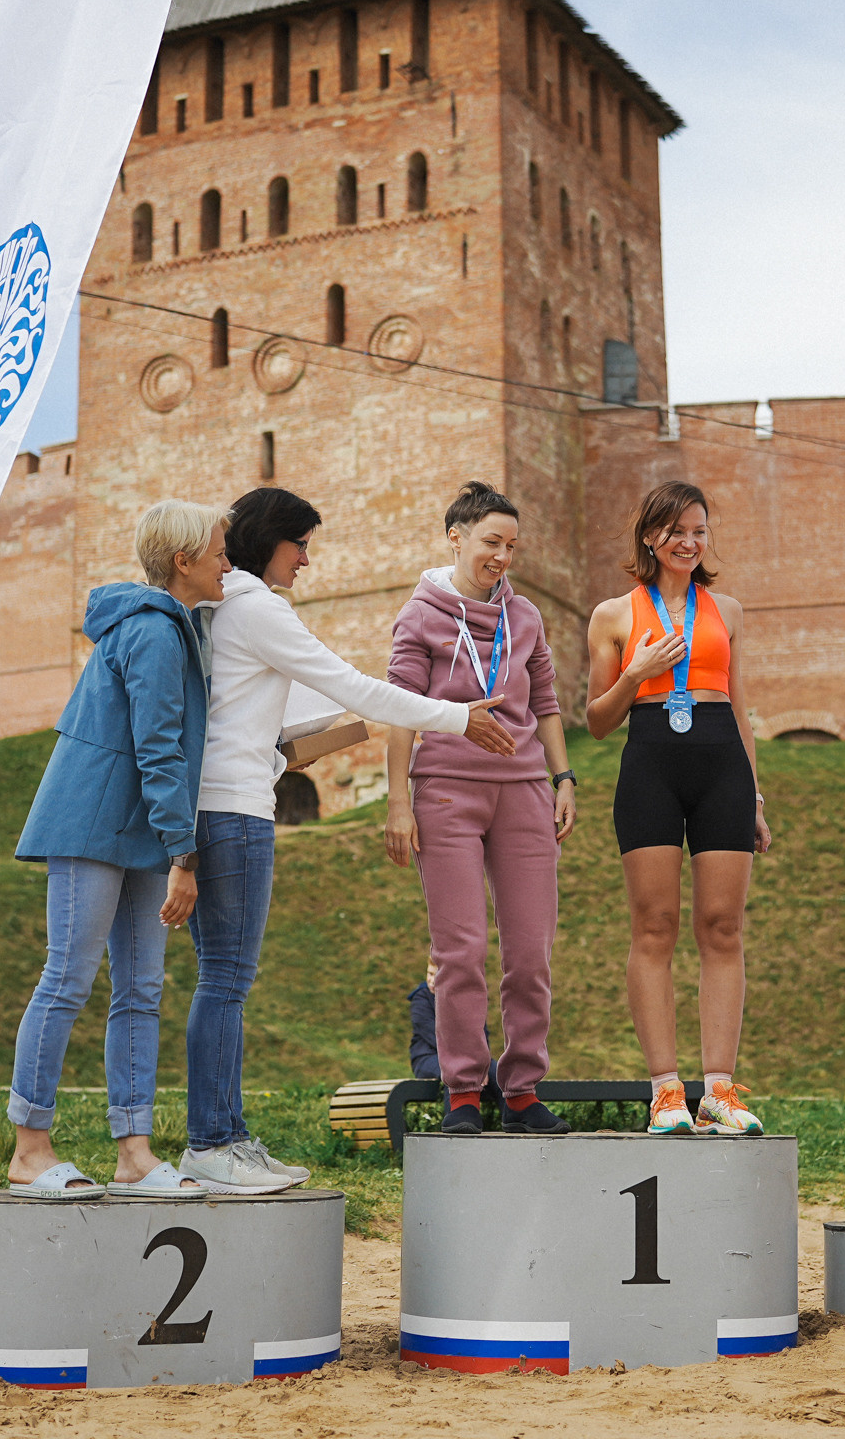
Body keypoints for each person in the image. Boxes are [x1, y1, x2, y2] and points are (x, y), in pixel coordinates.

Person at [185, 487, 519, 1192]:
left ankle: (227, 1136)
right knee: (226, 982)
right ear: (267, 538)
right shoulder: (256, 607)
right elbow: (356, 688)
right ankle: (213, 1141)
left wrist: (288, 751)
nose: (306, 559)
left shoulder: (220, 608)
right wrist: (457, 718)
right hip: (236, 812)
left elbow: (278, 715)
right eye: (299, 543)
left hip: (220, 801)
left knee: (220, 981)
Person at [5, 500, 230, 1199]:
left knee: (141, 988)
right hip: (93, 823)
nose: (230, 563)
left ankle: (134, 1152)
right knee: (67, 980)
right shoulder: (157, 634)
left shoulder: (175, 628)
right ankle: (30, 1149)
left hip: (135, 829)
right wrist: (185, 859)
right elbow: (158, 750)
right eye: (221, 552)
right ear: (185, 562)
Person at [384, 481, 578, 1135]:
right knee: (461, 950)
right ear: (456, 538)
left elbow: (545, 701)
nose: (502, 555)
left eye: (512, 546)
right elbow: (399, 713)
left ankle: (521, 1090)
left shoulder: (525, 617)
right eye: (491, 542)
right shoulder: (420, 616)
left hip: (524, 789)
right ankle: (464, 1090)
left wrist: (563, 777)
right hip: (445, 790)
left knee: (531, 951)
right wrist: (397, 803)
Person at [584, 481, 773, 1135]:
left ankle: (719, 1088)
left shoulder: (728, 611)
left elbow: (740, 706)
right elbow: (597, 720)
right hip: (650, 764)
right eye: (675, 531)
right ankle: (667, 1090)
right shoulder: (613, 614)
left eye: (698, 530)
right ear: (648, 537)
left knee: (723, 926)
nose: (689, 542)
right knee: (655, 926)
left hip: (721, 764)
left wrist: (754, 794)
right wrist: (635, 673)